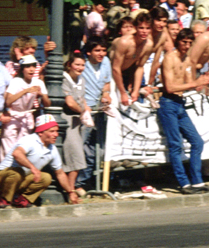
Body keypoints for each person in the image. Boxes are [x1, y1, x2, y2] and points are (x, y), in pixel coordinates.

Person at [157, 28, 209, 194]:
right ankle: (183, 183)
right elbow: (170, 86)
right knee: (175, 145)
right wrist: (194, 84)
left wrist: (201, 82)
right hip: (168, 103)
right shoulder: (169, 58)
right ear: (177, 42)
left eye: (189, 43)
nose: (186, 45)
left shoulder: (187, 58)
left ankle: (196, 181)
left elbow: (190, 82)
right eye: (184, 42)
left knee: (197, 142)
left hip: (180, 103)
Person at [0, 114, 81, 208]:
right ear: (41, 132)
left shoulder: (52, 149)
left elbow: (60, 174)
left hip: (21, 179)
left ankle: (20, 200)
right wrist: (32, 168)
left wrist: (71, 192)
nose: (56, 135)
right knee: (17, 173)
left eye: (57, 131)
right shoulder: (29, 140)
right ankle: (4, 199)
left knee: (46, 177)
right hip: (2, 176)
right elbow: (17, 154)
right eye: (52, 131)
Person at [76, 38, 112, 192]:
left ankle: (87, 180)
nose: (101, 54)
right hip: (85, 111)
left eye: (103, 50)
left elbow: (107, 84)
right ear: (89, 52)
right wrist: (84, 106)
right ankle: (76, 183)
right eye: (97, 50)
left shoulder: (106, 62)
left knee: (98, 149)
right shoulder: (82, 65)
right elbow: (77, 88)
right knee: (80, 147)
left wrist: (106, 94)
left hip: (100, 110)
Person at [0, 55, 50, 161]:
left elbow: (47, 104)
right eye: (28, 66)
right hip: (13, 118)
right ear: (22, 69)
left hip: (27, 118)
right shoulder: (16, 81)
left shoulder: (38, 82)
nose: (31, 69)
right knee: (8, 149)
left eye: (33, 66)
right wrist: (25, 91)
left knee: (23, 149)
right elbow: (8, 101)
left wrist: (42, 94)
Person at [110, 12, 154, 106]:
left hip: (125, 74)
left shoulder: (148, 45)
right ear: (135, 27)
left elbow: (140, 67)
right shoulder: (125, 42)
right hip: (110, 74)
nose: (144, 31)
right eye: (141, 28)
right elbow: (115, 68)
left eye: (147, 28)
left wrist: (135, 90)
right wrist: (123, 93)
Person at [61, 52, 90, 195]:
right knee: (75, 156)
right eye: (77, 64)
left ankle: (70, 188)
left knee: (76, 156)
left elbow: (81, 99)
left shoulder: (81, 80)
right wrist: (82, 111)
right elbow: (70, 102)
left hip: (78, 121)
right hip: (67, 119)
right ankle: (70, 189)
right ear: (69, 65)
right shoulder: (64, 79)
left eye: (82, 65)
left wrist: (86, 109)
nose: (80, 68)